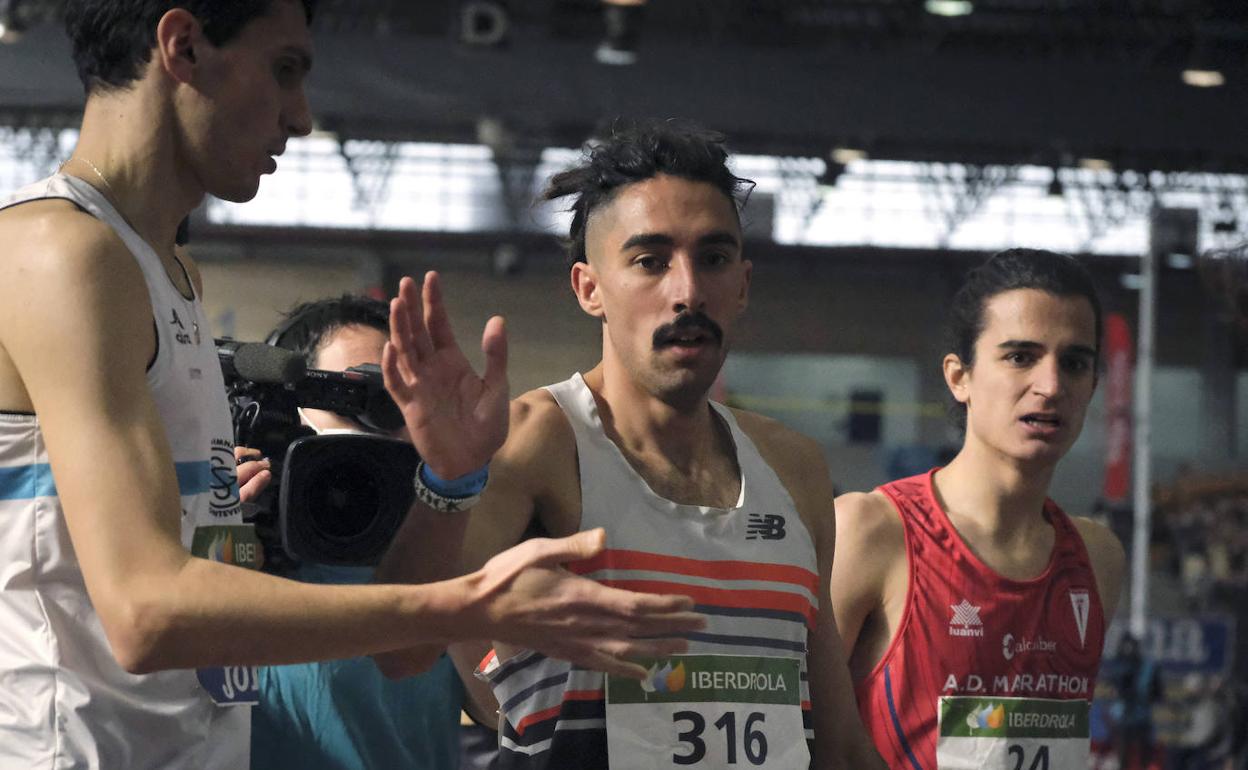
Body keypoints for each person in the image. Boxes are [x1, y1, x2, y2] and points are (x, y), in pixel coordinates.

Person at [0, 4, 702, 767]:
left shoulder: (166, 270)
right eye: (284, 71)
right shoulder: (60, 251)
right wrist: (472, 603)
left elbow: (395, 655)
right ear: (184, 47)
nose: (300, 117)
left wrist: (448, 479)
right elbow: (144, 613)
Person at [375, 119, 886, 769]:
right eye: (650, 261)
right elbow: (400, 651)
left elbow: (838, 741)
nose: (687, 290)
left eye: (714, 258)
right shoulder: (537, 445)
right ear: (590, 288)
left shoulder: (795, 467)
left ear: (743, 284)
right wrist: (446, 480)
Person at [831, 248, 1128, 769]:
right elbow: (792, 737)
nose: (1051, 385)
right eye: (1020, 357)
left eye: (1075, 363)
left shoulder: (1097, 559)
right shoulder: (870, 533)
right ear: (958, 376)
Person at [249, 295, 466, 770]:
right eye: (348, 399)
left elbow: (499, 710)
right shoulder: (243, 543)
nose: (374, 424)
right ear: (286, 417)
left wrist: (459, 484)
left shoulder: (446, 544)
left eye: (394, 403)